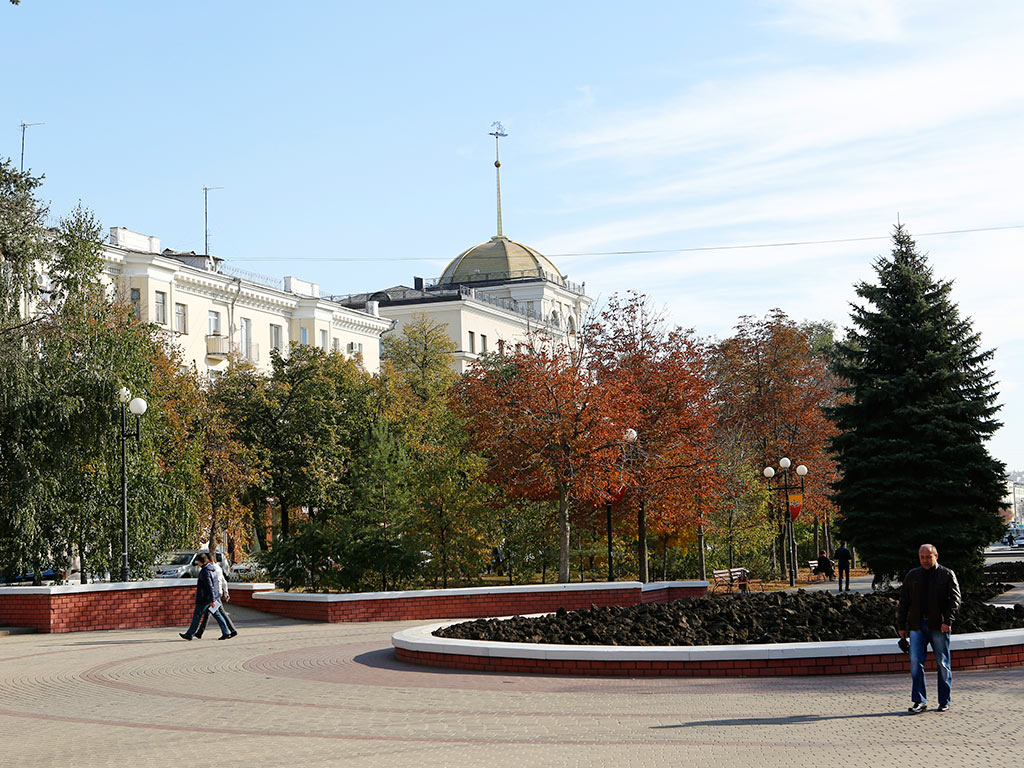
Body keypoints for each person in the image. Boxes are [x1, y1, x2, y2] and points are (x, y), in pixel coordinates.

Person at [897, 544, 961, 714]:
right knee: (915, 662)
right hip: (917, 625)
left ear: (936, 556)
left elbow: (955, 600)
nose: (925, 560)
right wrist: (901, 626)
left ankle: (944, 701)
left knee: (942, 663)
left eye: (928, 557)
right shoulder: (912, 575)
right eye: (922, 557)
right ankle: (919, 701)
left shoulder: (947, 574)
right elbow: (904, 602)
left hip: (939, 626)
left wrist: (948, 621)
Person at [179, 552, 232, 641]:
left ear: (200, 562)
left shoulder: (205, 572)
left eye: (198, 561)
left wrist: (211, 599)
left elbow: (209, 586)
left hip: (204, 599)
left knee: (197, 616)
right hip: (212, 598)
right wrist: (214, 598)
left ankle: (189, 634)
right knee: (218, 615)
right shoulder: (212, 569)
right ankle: (226, 632)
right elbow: (214, 585)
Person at [195, 554, 237, 640]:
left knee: (220, 613)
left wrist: (214, 596)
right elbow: (224, 581)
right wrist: (226, 592)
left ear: (209, 561)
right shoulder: (218, 568)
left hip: (214, 595)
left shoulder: (212, 569)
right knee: (208, 614)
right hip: (216, 594)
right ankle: (199, 633)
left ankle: (231, 631)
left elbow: (213, 584)